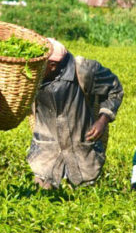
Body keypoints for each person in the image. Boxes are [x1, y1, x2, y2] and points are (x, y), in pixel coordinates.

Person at [28, 39, 123, 189]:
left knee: (84, 199)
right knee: (41, 195)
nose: (33, 67)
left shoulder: (84, 69)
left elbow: (115, 89)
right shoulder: (31, 76)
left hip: (82, 154)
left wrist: (103, 120)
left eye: (40, 63)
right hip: (46, 155)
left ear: (52, 65)